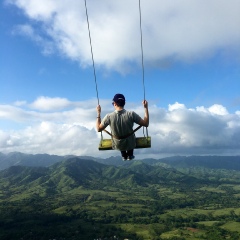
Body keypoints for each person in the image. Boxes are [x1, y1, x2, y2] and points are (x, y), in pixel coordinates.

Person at [96, 93, 149, 161]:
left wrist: (98, 113)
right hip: (130, 143)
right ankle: (130, 155)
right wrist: (145, 108)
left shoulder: (108, 116)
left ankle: (124, 155)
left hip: (117, 144)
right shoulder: (131, 114)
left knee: (119, 137)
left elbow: (98, 129)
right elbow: (146, 124)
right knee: (129, 136)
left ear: (114, 103)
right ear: (124, 103)